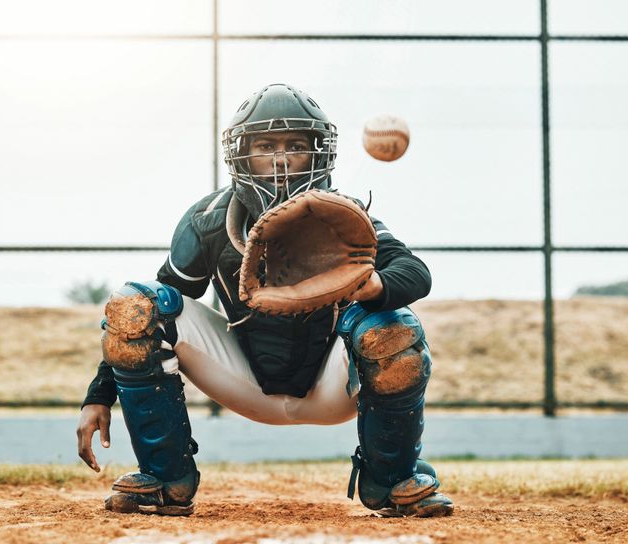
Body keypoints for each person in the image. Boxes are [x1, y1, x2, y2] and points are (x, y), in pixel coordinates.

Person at [76, 83, 454, 518]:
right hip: (242, 380)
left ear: (318, 153)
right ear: (241, 154)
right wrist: (99, 394)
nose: (280, 158)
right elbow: (140, 318)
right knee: (136, 305)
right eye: (265, 146)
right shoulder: (209, 219)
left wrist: (373, 287)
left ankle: (392, 479)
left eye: (295, 145)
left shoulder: (345, 215)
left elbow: (414, 272)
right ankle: (165, 480)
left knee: (394, 326)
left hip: (334, 384)